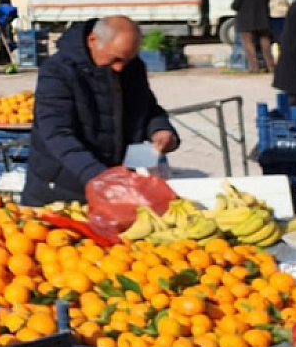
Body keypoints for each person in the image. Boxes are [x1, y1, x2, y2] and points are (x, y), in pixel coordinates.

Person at [22, 16, 180, 206]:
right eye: (115, 59)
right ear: (92, 41)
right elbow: (58, 134)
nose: (120, 67)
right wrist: (99, 175)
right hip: (62, 187)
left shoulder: (133, 68)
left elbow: (147, 108)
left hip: (115, 183)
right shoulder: (57, 71)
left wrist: (160, 129)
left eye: (128, 59)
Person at [232, 0, 274, 74]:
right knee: (265, 44)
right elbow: (268, 1)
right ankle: (271, 67)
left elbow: (235, 6)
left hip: (247, 23)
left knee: (248, 44)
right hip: (263, 22)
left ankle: (254, 67)